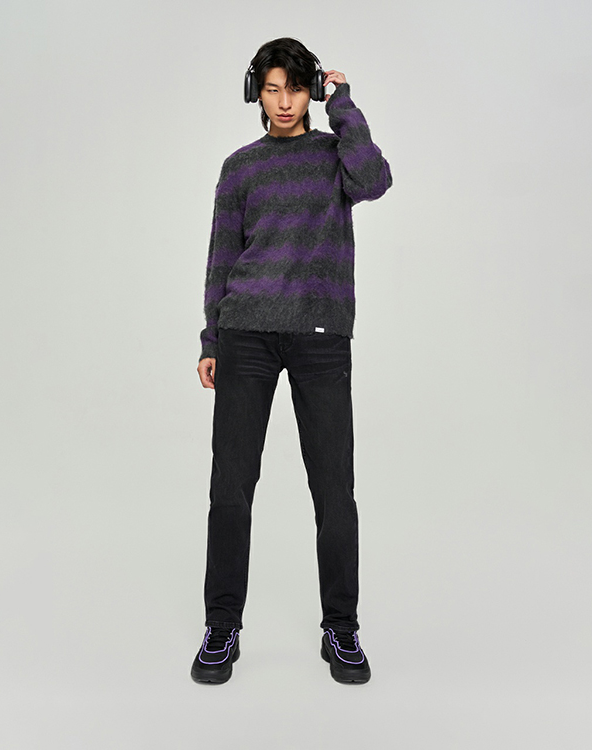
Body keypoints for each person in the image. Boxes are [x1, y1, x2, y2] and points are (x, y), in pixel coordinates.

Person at [191, 37, 392, 685]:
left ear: (312, 92)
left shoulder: (337, 156)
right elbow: (222, 256)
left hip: (320, 335)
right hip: (245, 335)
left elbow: (375, 181)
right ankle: (221, 627)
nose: (284, 102)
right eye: (273, 89)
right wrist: (212, 340)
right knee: (231, 487)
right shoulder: (240, 167)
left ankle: (342, 628)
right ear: (258, 91)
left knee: (334, 489)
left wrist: (345, 104)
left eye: (296, 89)